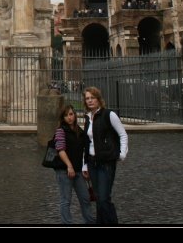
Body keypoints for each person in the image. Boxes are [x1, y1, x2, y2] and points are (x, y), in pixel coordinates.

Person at [82, 86, 128, 225]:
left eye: (92, 98)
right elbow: (87, 142)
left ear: (98, 99)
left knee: (103, 198)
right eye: (87, 98)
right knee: (98, 197)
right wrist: (84, 164)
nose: (90, 101)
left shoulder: (109, 115)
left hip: (106, 162)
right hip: (92, 162)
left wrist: (122, 154)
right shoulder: (88, 118)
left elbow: (122, 134)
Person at [52, 104, 96, 224]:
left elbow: (83, 151)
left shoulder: (79, 130)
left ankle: (90, 222)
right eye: (66, 115)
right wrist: (69, 166)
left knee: (85, 198)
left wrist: (84, 167)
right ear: (63, 118)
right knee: (66, 200)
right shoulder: (61, 130)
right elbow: (60, 150)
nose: (69, 117)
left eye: (71, 114)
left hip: (77, 170)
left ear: (75, 115)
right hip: (64, 170)